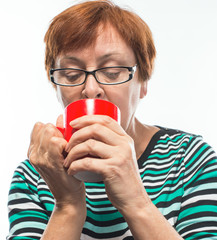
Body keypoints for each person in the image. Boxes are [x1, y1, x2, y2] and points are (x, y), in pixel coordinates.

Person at [7, 0, 217, 239]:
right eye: (72, 74)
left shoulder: (190, 159)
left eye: (112, 72)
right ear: (56, 87)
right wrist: (67, 206)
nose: (91, 89)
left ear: (143, 83)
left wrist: (136, 201)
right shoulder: (36, 174)